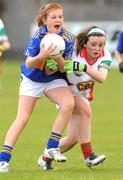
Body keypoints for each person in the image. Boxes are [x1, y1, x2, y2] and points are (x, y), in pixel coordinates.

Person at [0, 3, 75, 173]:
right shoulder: (38, 36)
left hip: (53, 79)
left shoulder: (68, 37)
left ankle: (51, 147)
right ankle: (3, 160)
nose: (58, 20)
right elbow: (29, 62)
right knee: (23, 118)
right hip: (32, 79)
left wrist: (56, 57)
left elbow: (62, 68)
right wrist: (42, 55)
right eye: (53, 17)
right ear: (45, 20)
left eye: (60, 16)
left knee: (68, 104)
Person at [38, 26, 112, 170]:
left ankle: (44, 158)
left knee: (73, 139)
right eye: (93, 44)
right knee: (85, 111)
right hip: (66, 93)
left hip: (82, 95)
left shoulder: (105, 55)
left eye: (101, 45)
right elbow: (54, 69)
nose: (97, 48)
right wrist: (53, 65)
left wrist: (83, 67)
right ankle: (88, 155)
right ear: (84, 43)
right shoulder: (73, 51)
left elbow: (102, 78)